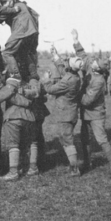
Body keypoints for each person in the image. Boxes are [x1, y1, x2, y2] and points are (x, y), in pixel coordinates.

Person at [78, 56, 111, 175]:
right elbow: (84, 57)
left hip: (96, 114)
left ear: (98, 68)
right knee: (85, 139)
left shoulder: (99, 81)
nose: (93, 62)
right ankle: (87, 163)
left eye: (96, 62)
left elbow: (87, 100)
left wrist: (75, 94)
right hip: (86, 114)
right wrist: (76, 41)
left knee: (102, 140)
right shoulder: (91, 71)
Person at [46, 46, 83, 176]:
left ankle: (74, 168)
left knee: (67, 140)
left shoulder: (67, 81)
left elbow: (50, 89)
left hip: (65, 114)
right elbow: (62, 69)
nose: (66, 62)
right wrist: (56, 55)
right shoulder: (74, 76)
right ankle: (73, 165)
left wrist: (46, 79)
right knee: (65, 139)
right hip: (70, 112)